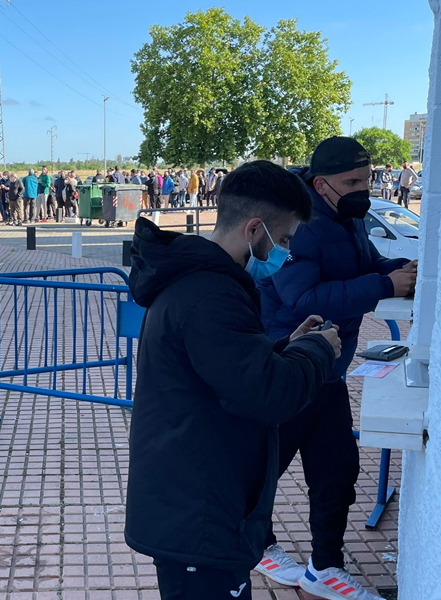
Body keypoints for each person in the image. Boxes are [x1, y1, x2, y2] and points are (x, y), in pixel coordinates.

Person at [125, 160, 340, 600]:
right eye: (282, 241)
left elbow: (228, 372)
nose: (283, 253)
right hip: (200, 517)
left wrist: (287, 347)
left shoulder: (206, 286)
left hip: (199, 503)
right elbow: (268, 395)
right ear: (254, 230)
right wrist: (319, 350)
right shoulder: (211, 296)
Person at [256, 137, 416, 600]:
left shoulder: (348, 217)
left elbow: (362, 265)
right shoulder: (298, 225)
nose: (363, 189)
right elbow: (302, 299)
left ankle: (325, 567)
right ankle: (255, 545)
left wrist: (400, 269)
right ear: (322, 183)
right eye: (352, 182)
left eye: (367, 179)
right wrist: (384, 283)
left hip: (329, 368)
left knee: (337, 472)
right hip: (288, 364)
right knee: (264, 467)